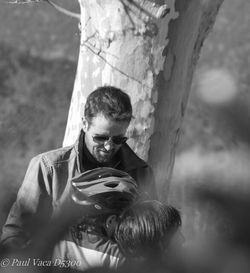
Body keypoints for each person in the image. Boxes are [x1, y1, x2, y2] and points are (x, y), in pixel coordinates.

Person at [0, 86, 157, 249]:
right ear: (84, 123)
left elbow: (154, 238)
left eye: (118, 139)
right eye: (101, 138)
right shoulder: (48, 168)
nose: (109, 147)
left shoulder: (142, 173)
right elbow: (15, 235)